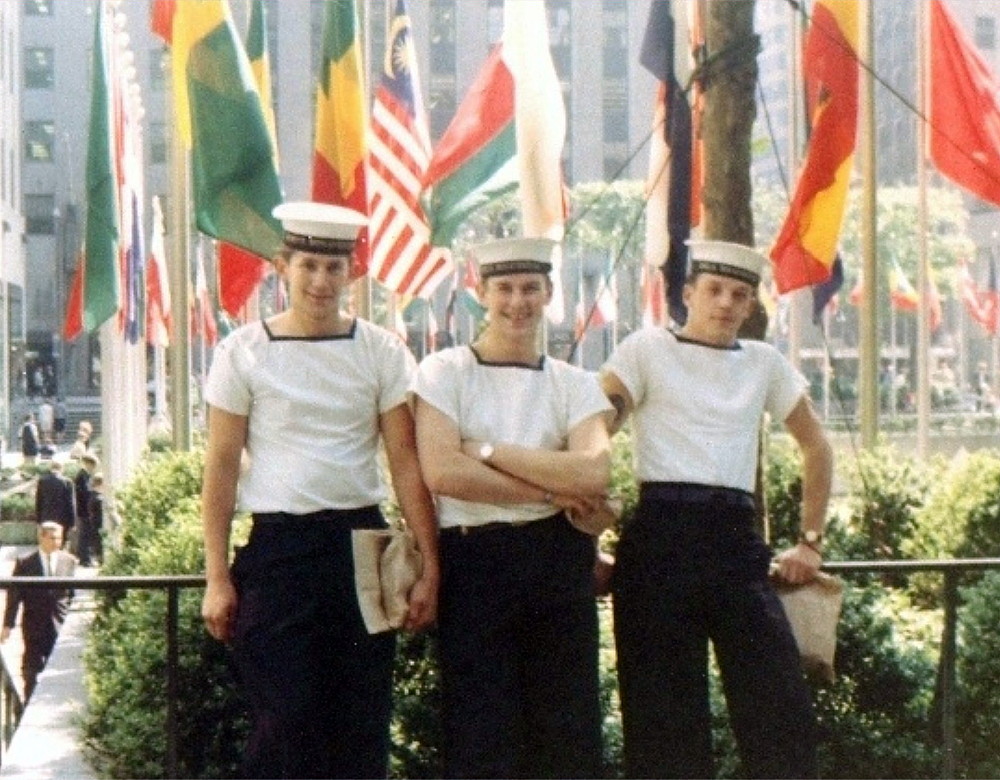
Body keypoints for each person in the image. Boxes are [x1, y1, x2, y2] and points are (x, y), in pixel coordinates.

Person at [200, 202, 439, 780]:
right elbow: (222, 467)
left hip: (362, 549)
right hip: (280, 554)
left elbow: (405, 463)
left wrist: (430, 563)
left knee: (358, 726)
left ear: (352, 272)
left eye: (333, 268)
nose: (320, 281)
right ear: (283, 267)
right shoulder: (244, 351)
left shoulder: (381, 351)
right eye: (307, 265)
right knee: (285, 723)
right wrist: (215, 575)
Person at [600, 240, 834, 779]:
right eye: (713, 290)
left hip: (734, 542)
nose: (725, 303)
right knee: (664, 733)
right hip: (659, 540)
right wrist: (587, 532)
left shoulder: (764, 364)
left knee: (780, 715)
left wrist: (810, 542)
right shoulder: (645, 350)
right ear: (687, 294)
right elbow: (594, 434)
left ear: (751, 305)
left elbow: (817, 446)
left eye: (739, 294)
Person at [412, 236, 613, 779]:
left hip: (558, 560)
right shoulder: (444, 371)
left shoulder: (574, 382)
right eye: (504, 288)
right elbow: (444, 473)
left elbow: (594, 470)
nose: (517, 301)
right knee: (482, 734)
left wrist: (486, 451)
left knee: (567, 732)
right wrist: (549, 490)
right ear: (481, 293)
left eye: (530, 288)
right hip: (475, 563)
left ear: (549, 293)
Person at [1, 522, 76, 700]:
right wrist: (7, 625)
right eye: (52, 538)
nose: (57, 542)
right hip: (34, 624)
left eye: (59, 537)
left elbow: (71, 594)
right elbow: (14, 597)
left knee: (57, 667)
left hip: (59, 623)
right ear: (41, 537)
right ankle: (28, 701)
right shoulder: (25, 564)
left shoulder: (69, 562)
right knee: (31, 669)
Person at [34, 460, 76, 541]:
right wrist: (72, 523)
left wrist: (38, 520)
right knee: (60, 542)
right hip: (62, 519)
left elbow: (39, 501)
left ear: (50, 468)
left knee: (47, 541)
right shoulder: (67, 482)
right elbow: (70, 504)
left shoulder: (42, 481)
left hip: (46, 517)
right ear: (62, 469)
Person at [73, 453, 99, 559]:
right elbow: (84, 493)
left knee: (85, 534)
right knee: (85, 535)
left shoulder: (85, 475)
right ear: (89, 464)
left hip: (85, 510)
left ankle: (85, 557)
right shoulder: (82, 476)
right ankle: (84, 558)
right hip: (84, 510)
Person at [82, 472, 105, 568]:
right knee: (99, 543)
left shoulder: (91, 495)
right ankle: (100, 559)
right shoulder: (98, 497)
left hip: (94, 523)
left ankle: (99, 558)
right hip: (98, 524)